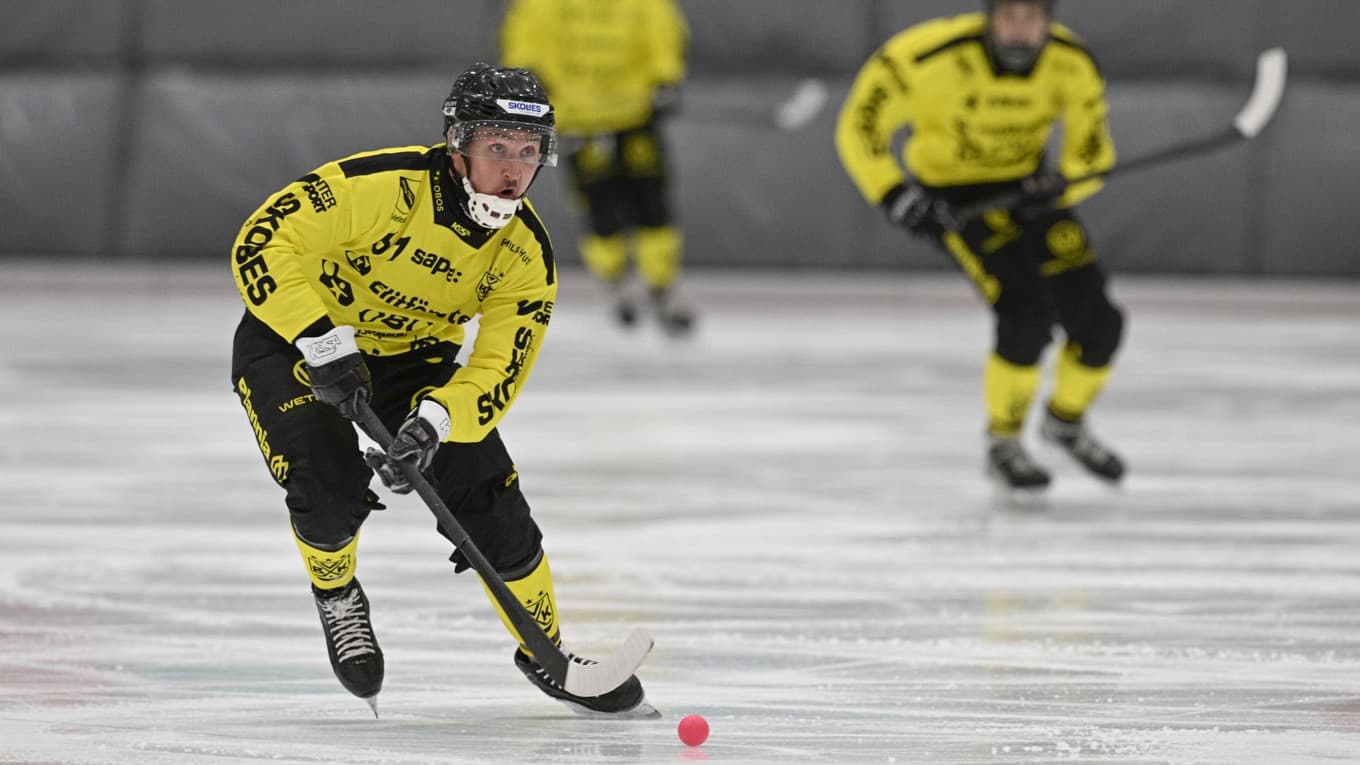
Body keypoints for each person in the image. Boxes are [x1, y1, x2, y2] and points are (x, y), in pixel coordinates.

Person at [229, 62, 652, 716]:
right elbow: (262, 242)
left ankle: (547, 653)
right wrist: (320, 337)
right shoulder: (383, 187)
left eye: (529, 152)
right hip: (296, 341)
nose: (514, 170)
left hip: (412, 360)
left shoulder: (525, 256)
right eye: (497, 149)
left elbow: (497, 368)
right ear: (458, 147)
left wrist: (435, 421)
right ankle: (337, 591)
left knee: (490, 498)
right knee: (327, 486)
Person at [835, 0, 1127, 492]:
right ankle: (1004, 441)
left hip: (1030, 193)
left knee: (1101, 323)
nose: (1019, 30)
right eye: (1008, 16)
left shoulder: (1072, 62)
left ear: (1048, 21)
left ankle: (1065, 422)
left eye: (1031, 18)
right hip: (956, 198)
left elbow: (1092, 151)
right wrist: (897, 196)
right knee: (1026, 316)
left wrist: (1066, 183)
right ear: (988, 17)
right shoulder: (924, 58)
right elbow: (860, 130)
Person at [500, 0, 694, 336]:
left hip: (634, 114)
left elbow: (662, 31)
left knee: (652, 202)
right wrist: (530, 76)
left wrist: (666, 78)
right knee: (600, 207)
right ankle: (615, 280)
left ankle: (661, 285)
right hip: (578, 120)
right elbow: (525, 36)